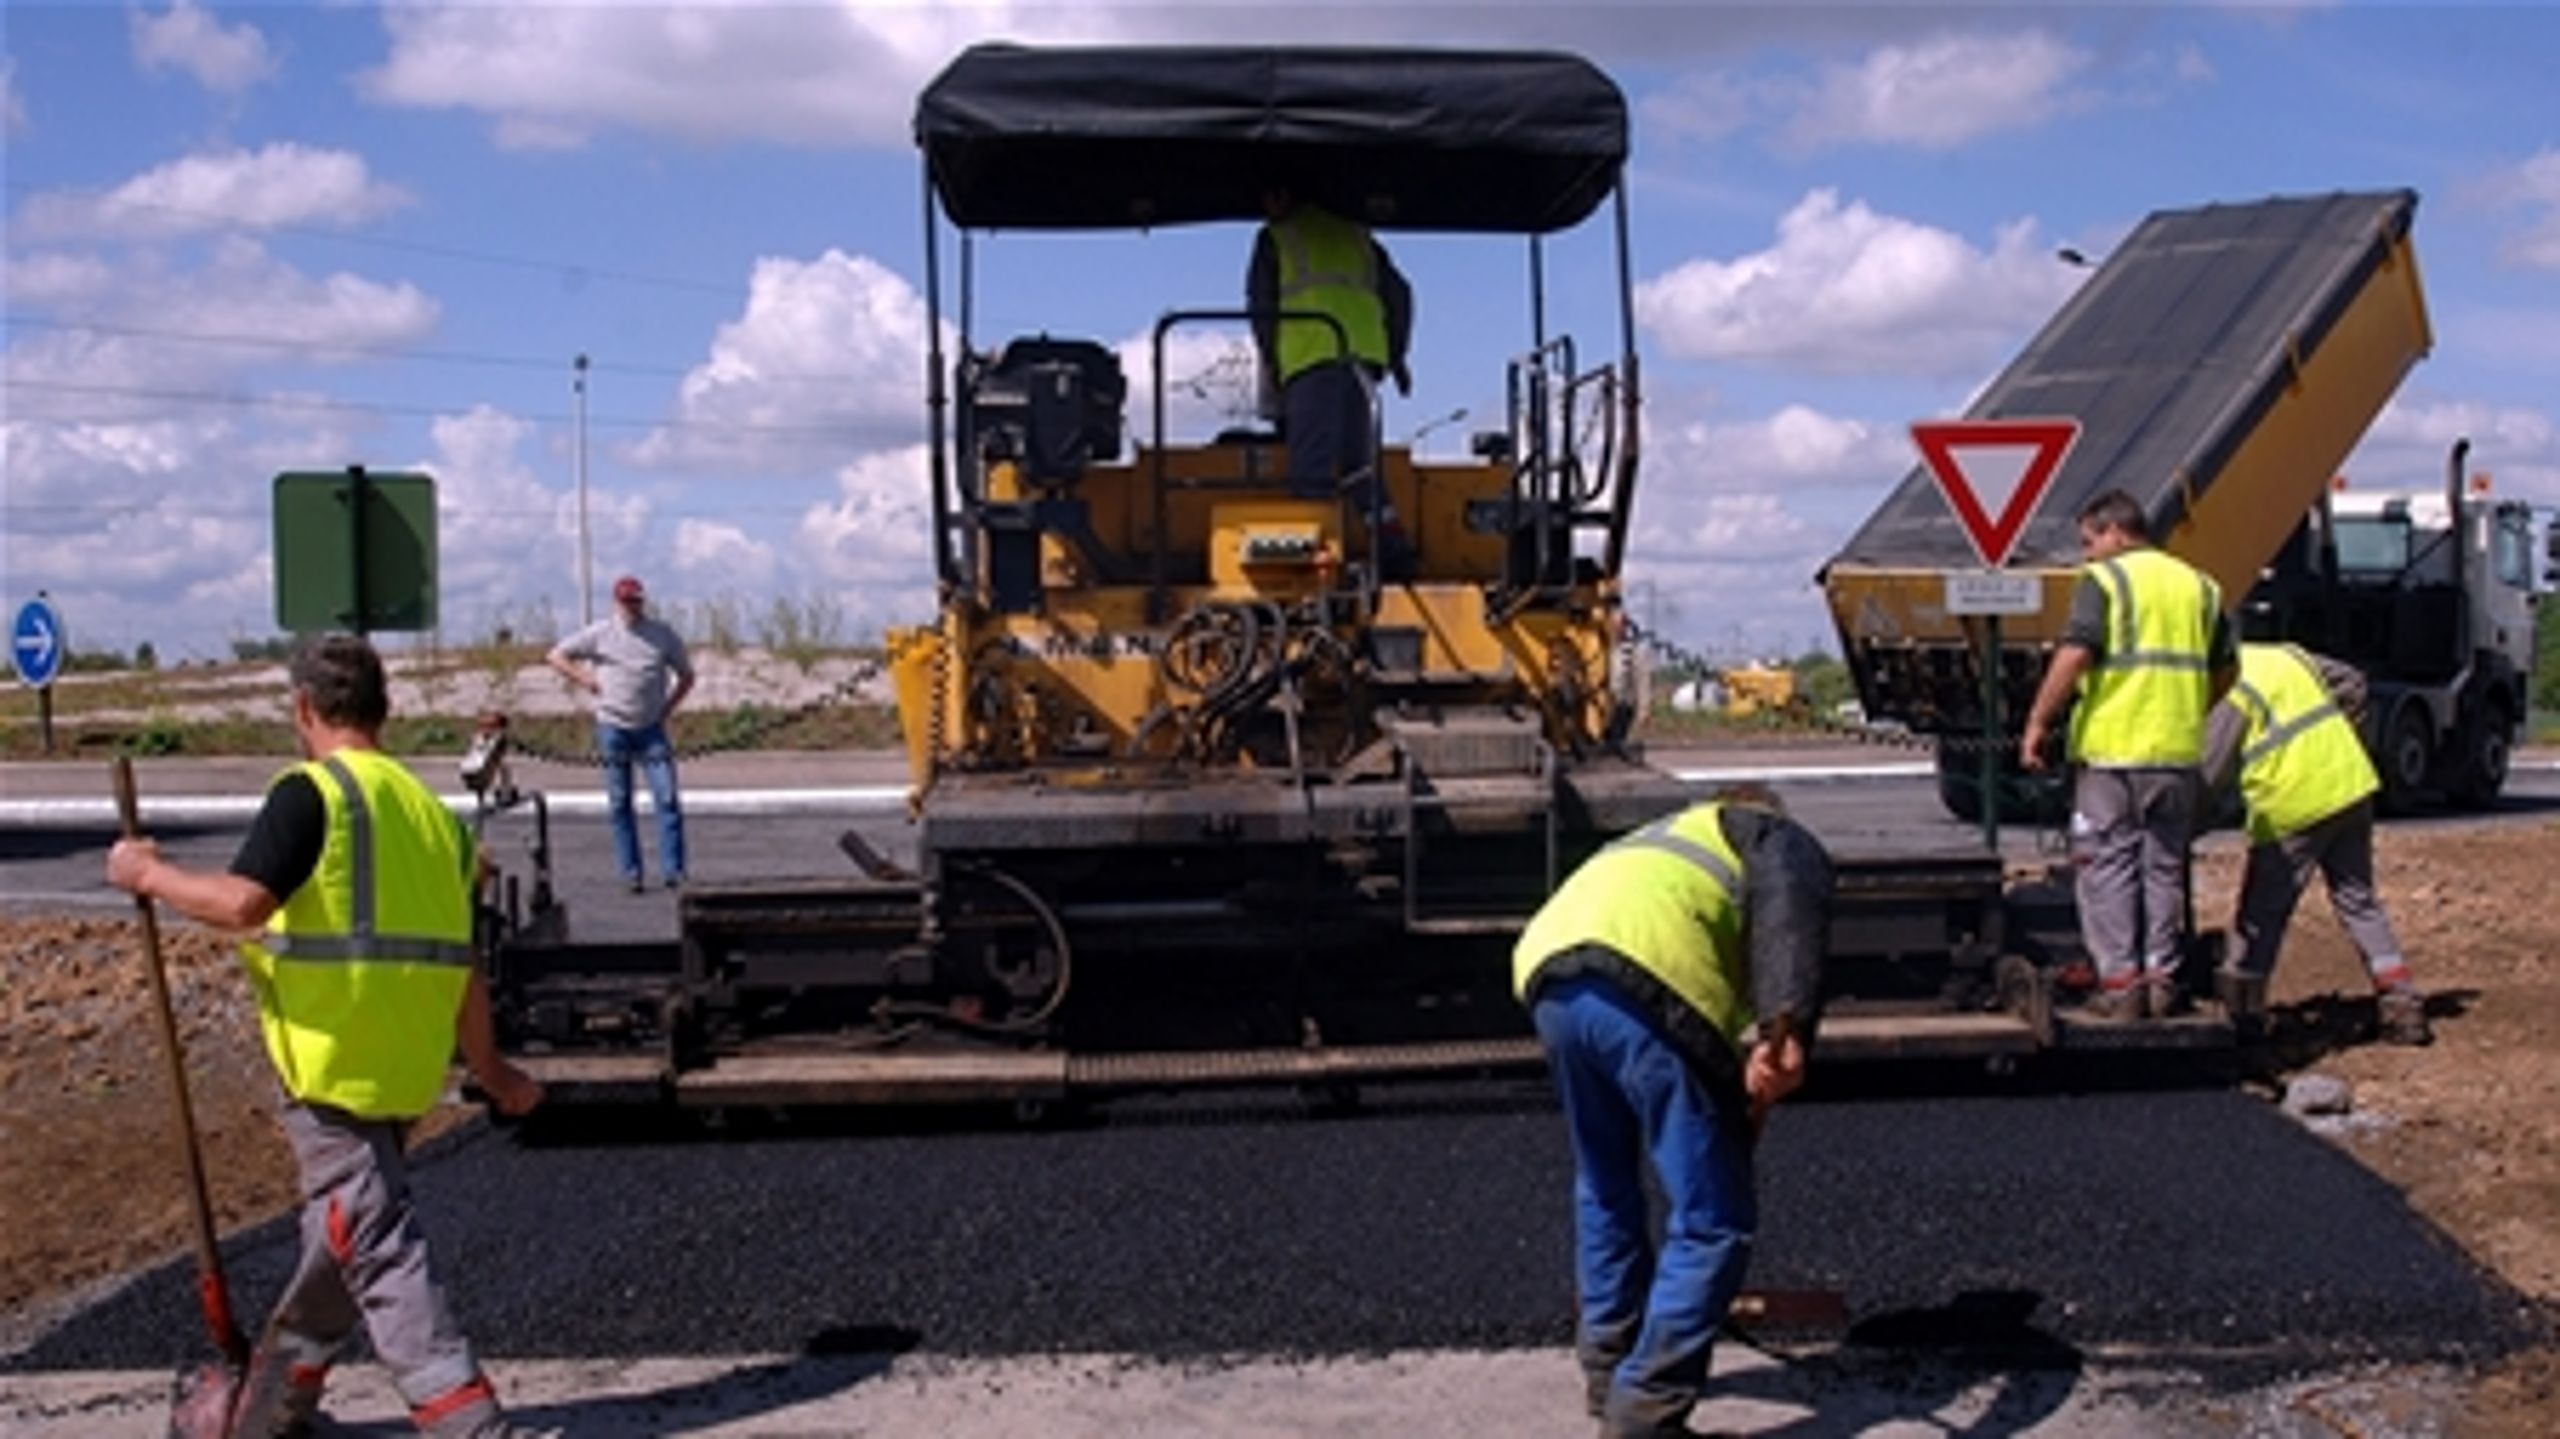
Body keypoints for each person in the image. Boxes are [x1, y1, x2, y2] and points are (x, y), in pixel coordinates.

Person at [105, 634, 544, 1439]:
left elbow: (242, 904)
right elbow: (464, 967)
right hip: (402, 1066)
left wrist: (146, 876)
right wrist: (492, 1067)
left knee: (372, 1239)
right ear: (385, 710)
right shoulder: (436, 822)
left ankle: (470, 1425)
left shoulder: (312, 795)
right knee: (342, 1233)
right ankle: (271, 1411)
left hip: (329, 1063)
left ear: (304, 709)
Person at [1512, 789, 1834, 1439]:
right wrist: (1791, 1022)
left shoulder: (1666, 843)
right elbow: (1789, 913)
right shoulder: (1767, 832)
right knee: (1714, 1220)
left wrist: (1750, 1073)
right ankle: (1647, 1413)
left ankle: (1608, 1369)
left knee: (1605, 1184)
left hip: (1551, 975)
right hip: (1645, 978)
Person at [2020, 489, 2237, 1020]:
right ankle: (2162, 980)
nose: (2087, 553)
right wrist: (2187, 706)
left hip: (2114, 753)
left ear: (2115, 532)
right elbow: (2227, 669)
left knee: (2106, 866)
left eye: (2089, 541)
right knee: (2163, 868)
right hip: (2179, 752)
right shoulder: (2200, 587)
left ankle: (2120, 984)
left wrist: (2038, 722)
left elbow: (2075, 655)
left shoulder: (2106, 581)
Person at [2202, 642, 2432, 1045]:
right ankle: (2402, 1003)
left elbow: (2209, 771)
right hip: (2349, 786)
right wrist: (2348, 739)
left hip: (2292, 803)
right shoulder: (2286, 655)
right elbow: (2354, 684)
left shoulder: (2230, 683)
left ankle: (2243, 1014)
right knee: (2359, 901)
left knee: (2261, 914)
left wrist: (2178, 828)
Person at [1247, 184, 1417, 573]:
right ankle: (1392, 548)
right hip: (1363, 358)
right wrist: (1397, 355)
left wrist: (1271, 360)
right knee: (1359, 462)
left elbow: (1262, 304)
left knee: (1312, 467)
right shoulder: (1357, 235)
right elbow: (1399, 294)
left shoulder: (1278, 237)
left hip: (1312, 355)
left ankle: (1316, 559)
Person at [547, 575, 695, 892]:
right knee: (619, 802)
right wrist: (584, 678)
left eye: (637, 600)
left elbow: (686, 674)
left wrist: (668, 707)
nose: (632, 606)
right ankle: (631, 872)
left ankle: (674, 870)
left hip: (651, 728)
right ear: (617, 602)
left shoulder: (662, 634)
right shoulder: (601, 634)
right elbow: (556, 655)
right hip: (613, 726)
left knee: (667, 797)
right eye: (627, 601)